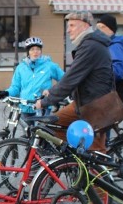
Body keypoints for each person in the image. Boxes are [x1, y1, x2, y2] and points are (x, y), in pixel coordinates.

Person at [35, 11, 114, 152]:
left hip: (96, 106)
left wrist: (46, 101)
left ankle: (93, 170)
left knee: (94, 154)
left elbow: (71, 78)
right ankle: (74, 161)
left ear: (84, 26)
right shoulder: (88, 44)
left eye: (71, 25)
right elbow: (75, 77)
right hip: (84, 103)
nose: (68, 29)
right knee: (51, 125)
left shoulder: (91, 46)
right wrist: (52, 92)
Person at [0, 36, 63, 119]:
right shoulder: (21, 68)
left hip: (42, 107)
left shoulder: (49, 66)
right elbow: (15, 87)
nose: (35, 52)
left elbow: (64, 80)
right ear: (28, 52)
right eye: (32, 49)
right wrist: (6, 93)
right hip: (25, 107)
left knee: (40, 131)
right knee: (27, 131)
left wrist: (52, 91)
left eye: (38, 49)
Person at [96, 14, 123, 106]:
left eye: (102, 27)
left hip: (109, 93)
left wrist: (97, 75)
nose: (98, 30)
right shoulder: (106, 44)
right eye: (97, 27)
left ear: (111, 30)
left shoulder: (115, 46)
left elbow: (118, 72)